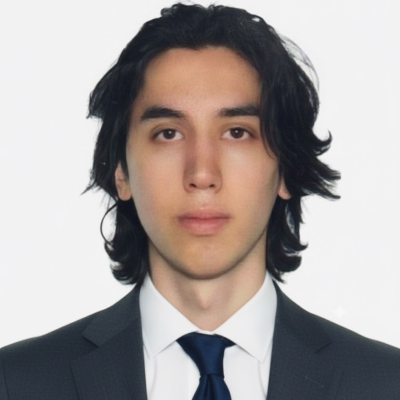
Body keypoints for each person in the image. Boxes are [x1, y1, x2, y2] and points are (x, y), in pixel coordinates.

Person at [1, 3, 399, 399]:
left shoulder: (386, 383)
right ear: (121, 172)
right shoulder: (17, 383)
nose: (202, 173)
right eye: (168, 133)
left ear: (285, 169)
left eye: (237, 132)